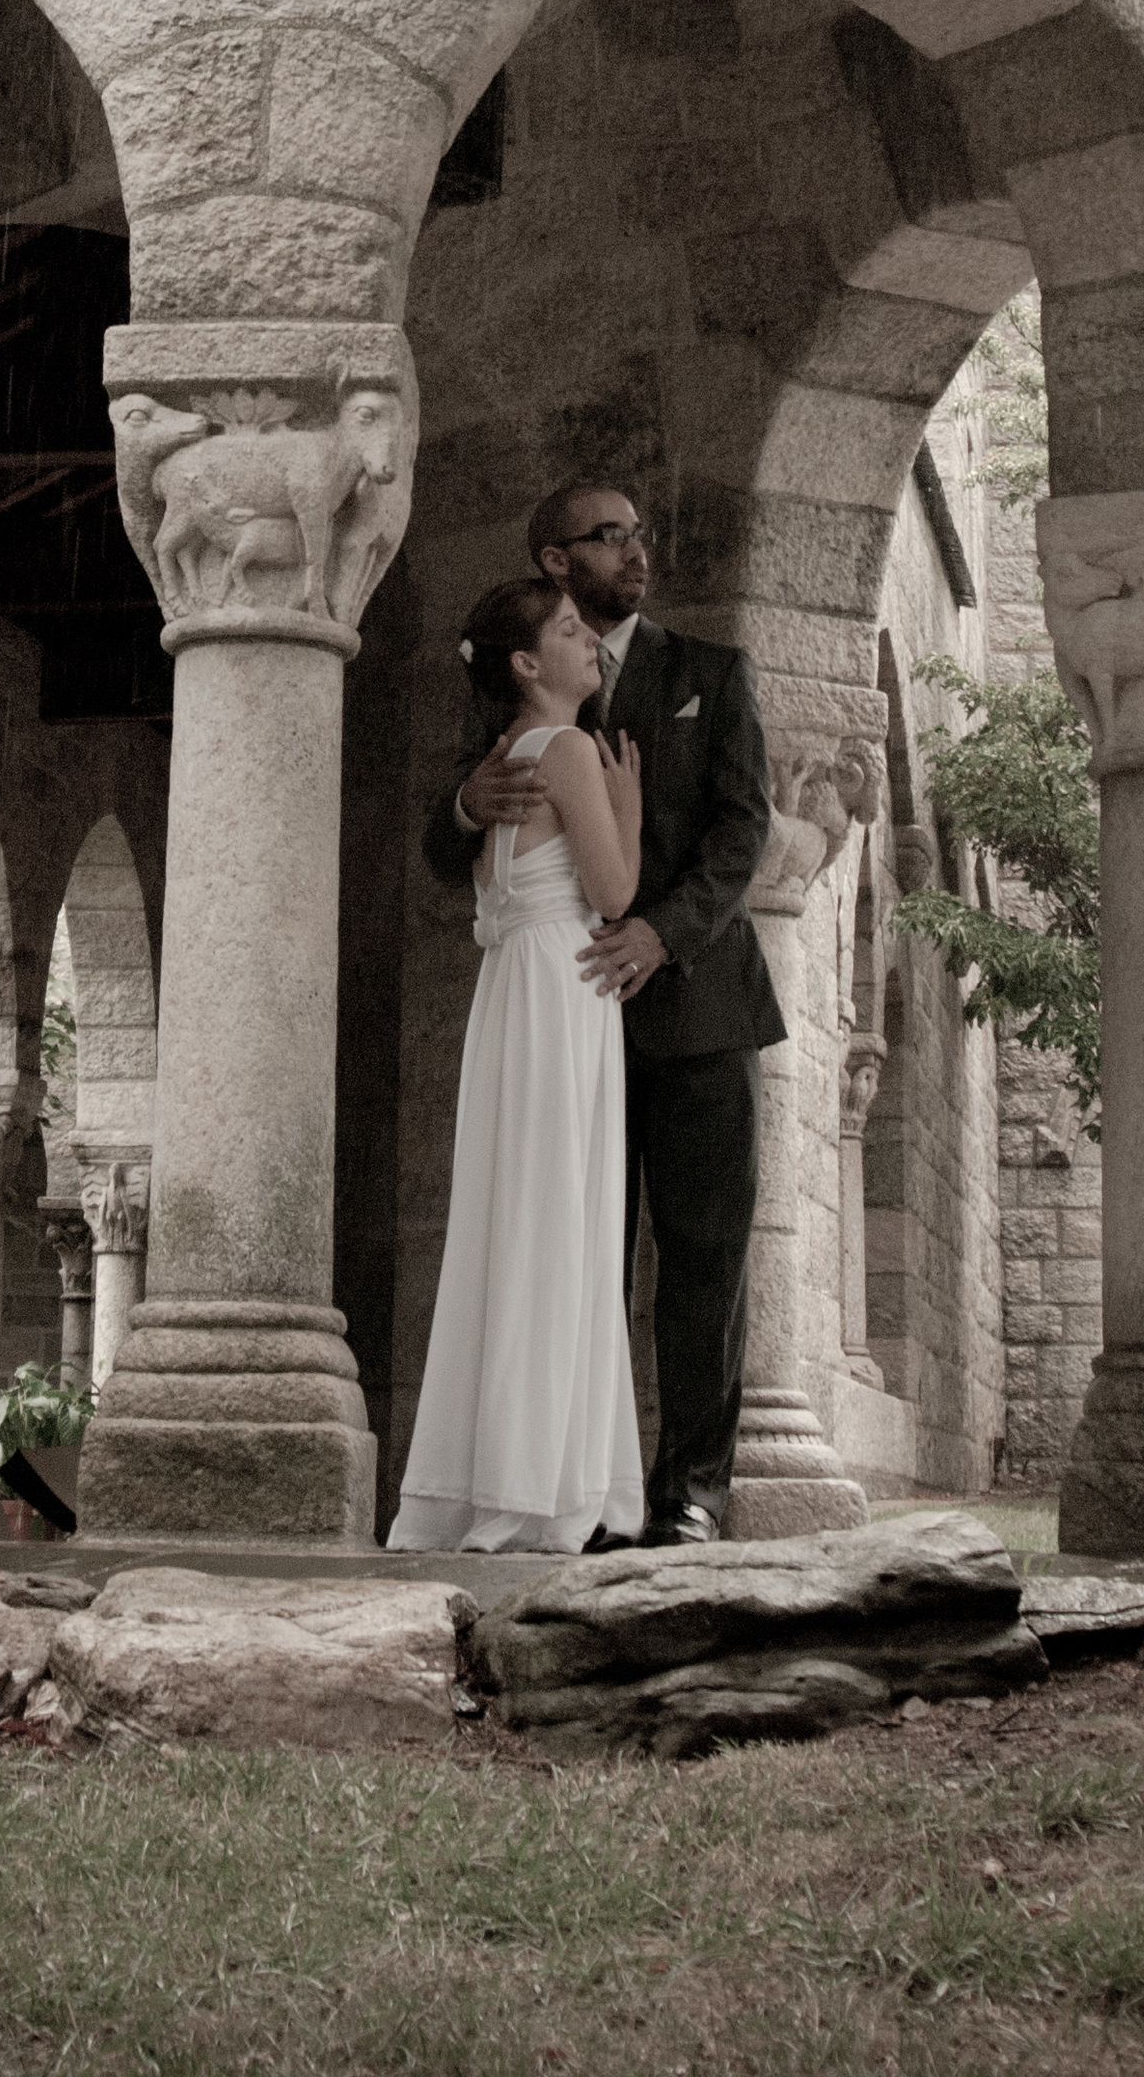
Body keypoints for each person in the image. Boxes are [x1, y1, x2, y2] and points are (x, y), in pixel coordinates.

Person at [422, 481, 780, 1547]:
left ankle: (691, 1493)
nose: (635, 548)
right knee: (577, 1250)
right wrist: (459, 806)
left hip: (698, 1005)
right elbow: (454, 848)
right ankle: (582, 1482)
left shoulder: (710, 674)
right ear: (553, 560)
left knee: (704, 1253)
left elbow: (740, 830)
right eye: (607, 535)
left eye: (638, 532)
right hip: (568, 1016)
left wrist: (660, 932)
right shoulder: (520, 692)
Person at [388, 578, 648, 1554]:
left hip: (517, 990)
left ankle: (503, 1473)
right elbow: (615, 890)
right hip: (562, 983)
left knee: (514, 1221)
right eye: (573, 633)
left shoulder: (508, 756)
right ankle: (542, 1484)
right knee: (559, 1220)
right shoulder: (570, 749)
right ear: (528, 665)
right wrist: (625, 803)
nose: (594, 645)